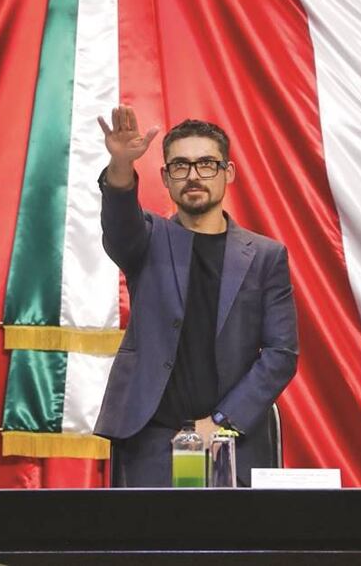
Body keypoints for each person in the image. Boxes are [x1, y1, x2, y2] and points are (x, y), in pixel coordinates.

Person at [94, 104, 298, 487]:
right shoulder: (147, 240)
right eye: (180, 166)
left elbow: (280, 354)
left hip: (232, 437)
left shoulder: (266, 256)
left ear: (228, 173)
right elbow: (119, 225)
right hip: (150, 440)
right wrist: (121, 164)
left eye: (207, 164)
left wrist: (219, 421)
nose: (193, 175)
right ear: (166, 177)